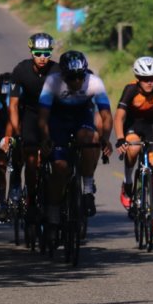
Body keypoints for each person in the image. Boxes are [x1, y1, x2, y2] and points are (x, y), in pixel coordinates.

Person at [37, 50, 112, 224]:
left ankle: (87, 189)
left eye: (80, 76)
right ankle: (53, 210)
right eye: (71, 77)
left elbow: (106, 115)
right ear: (63, 75)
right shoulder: (52, 82)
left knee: (90, 139)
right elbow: (42, 117)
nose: (77, 81)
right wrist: (46, 138)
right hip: (58, 118)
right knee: (60, 168)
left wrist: (105, 138)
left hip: (81, 117)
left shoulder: (94, 82)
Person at [113, 57, 153, 234]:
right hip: (133, 125)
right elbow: (119, 117)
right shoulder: (130, 89)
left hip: (152, 126)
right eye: (145, 79)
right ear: (137, 78)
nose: (149, 83)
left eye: (152, 78)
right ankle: (127, 182)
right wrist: (119, 138)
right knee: (133, 148)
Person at [2, 33, 59, 223]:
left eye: (46, 53)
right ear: (31, 52)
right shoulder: (20, 70)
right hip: (30, 114)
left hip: (52, 114)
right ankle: (29, 196)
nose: (42, 57)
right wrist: (17, 133)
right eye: (38, 53)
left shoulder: (57, 71)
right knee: (30, 158)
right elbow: (13, 105)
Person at [0, 73, 23, 221]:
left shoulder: (20, 97)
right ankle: (2, 205)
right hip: (2, 135)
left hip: (19, 132)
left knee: (19, 162)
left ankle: (17, 189)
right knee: (1, 165)